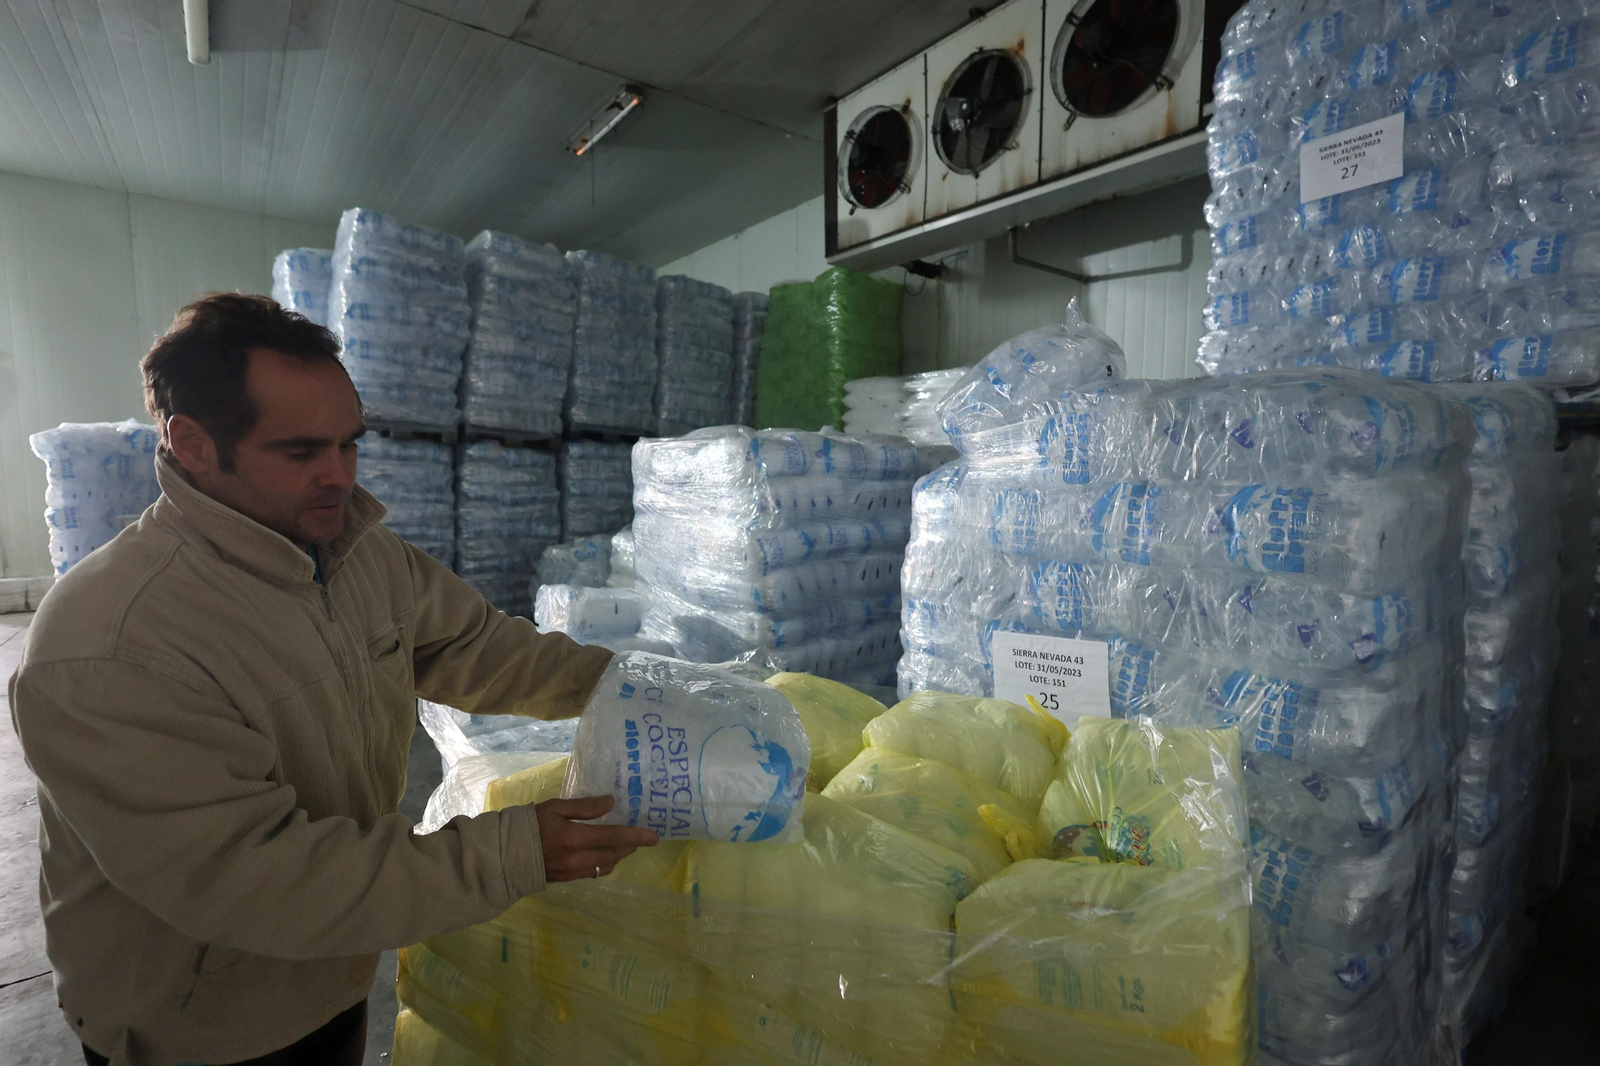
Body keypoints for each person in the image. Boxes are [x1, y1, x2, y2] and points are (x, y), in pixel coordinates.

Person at [7, 293, 658, 1066]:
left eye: (351, 444)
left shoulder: (356, 554)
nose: (340, 476)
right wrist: (514, 852)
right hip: (198, 1022)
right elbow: (254, 878)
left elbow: (483, 648)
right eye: (301, 451)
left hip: (333, 970)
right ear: (193, 444)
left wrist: (638, 687)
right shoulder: (109, 645)